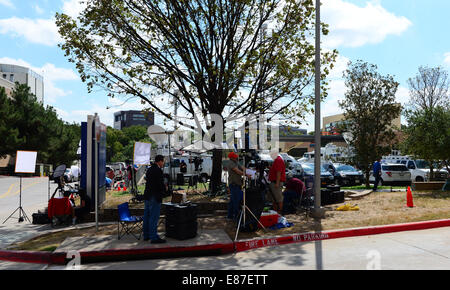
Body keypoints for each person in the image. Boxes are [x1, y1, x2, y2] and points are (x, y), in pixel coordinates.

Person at [143, 155, 167, 243]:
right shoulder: (158, 170)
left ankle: (146, 235)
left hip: (147, 195)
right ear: (159, 161)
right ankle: (154, 237)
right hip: (155, 196)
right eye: (163, 161)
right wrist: (165, 190)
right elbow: (160, 184)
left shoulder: (149, 169)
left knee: (147, 216)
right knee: (154, 217)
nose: (163, 163)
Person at [226, 152, 248, 220]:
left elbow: (242, 168)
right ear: (232, 157)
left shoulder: (236, 162)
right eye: (235, 157)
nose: (237, 157)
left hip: (237, 184)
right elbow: (237, 171)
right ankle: (236, 216)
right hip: (234, 184)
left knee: (233, 201)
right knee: (236, 201)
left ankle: (230, 216)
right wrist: (246, 175)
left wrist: (249, 171)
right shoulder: (231, 163)